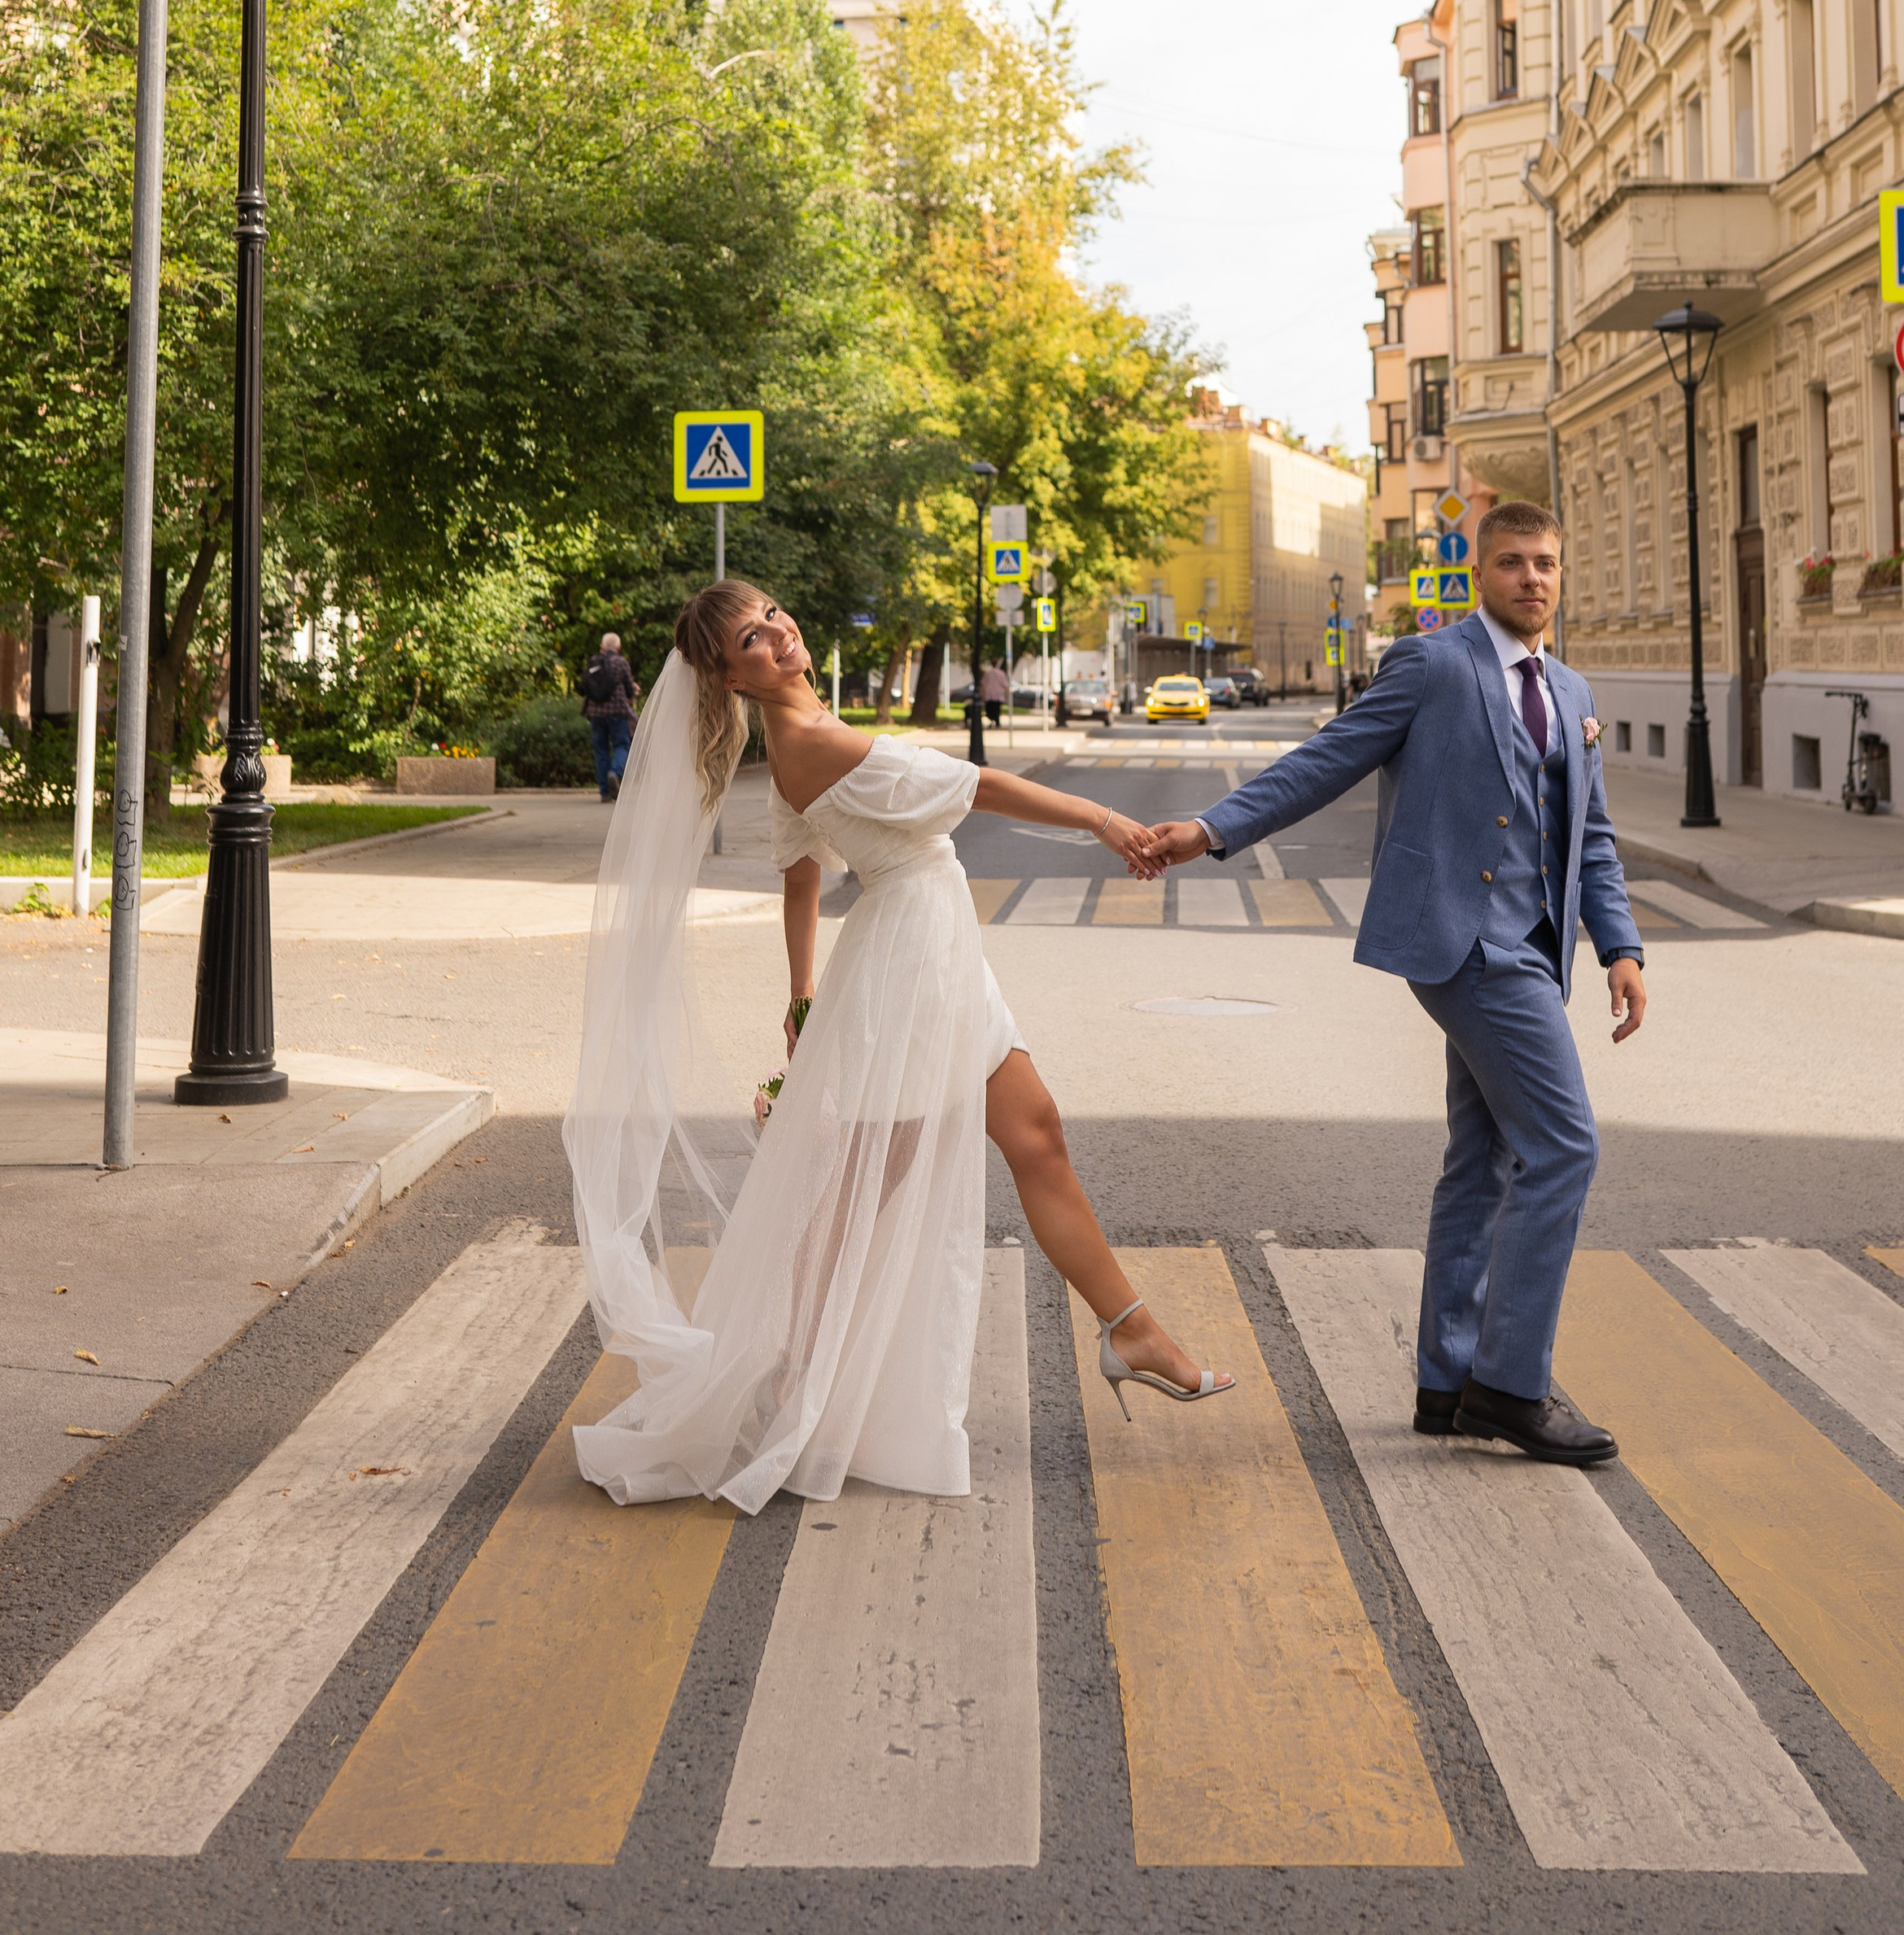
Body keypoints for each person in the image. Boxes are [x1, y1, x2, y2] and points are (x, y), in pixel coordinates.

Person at [562, 578, 1232, 1513]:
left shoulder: (806, 732)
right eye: (753, 638)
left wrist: (799, 997)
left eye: (774, 615)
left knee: (1031, 1134)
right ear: (729, 675)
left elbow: (799, 870)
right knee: (868, 1183)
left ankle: (1130, 1330)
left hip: (925, 950)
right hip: (913, 964)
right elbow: (982, 786)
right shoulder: (815, 742)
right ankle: (790, 1369)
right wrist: (1105, 820)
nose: (779, 632)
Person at [1143, 500, 1644, 1466]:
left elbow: (1593, 835)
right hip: (1466, 945)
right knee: (1565, 1147)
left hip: (1534, 948)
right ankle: (1511, 1384)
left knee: (1485, 1159)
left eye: (1546, 563)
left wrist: (1617, 944)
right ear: (1478, 575)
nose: (1532, 579)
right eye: (1512, 563)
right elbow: (1327, 760)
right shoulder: (1431, 663)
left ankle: (1447, 1380)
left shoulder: (1572, 690)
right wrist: (1209, 830)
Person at [579, 631, 640, 802]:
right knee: (622, 745)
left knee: (601, 751)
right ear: (618, 648)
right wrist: (633, 689)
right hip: (617, 713)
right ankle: (615, 772)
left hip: (595, 714)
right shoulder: (621, 663)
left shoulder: (594, 662)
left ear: (602, 647)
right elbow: (629, 689)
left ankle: (605, 793)